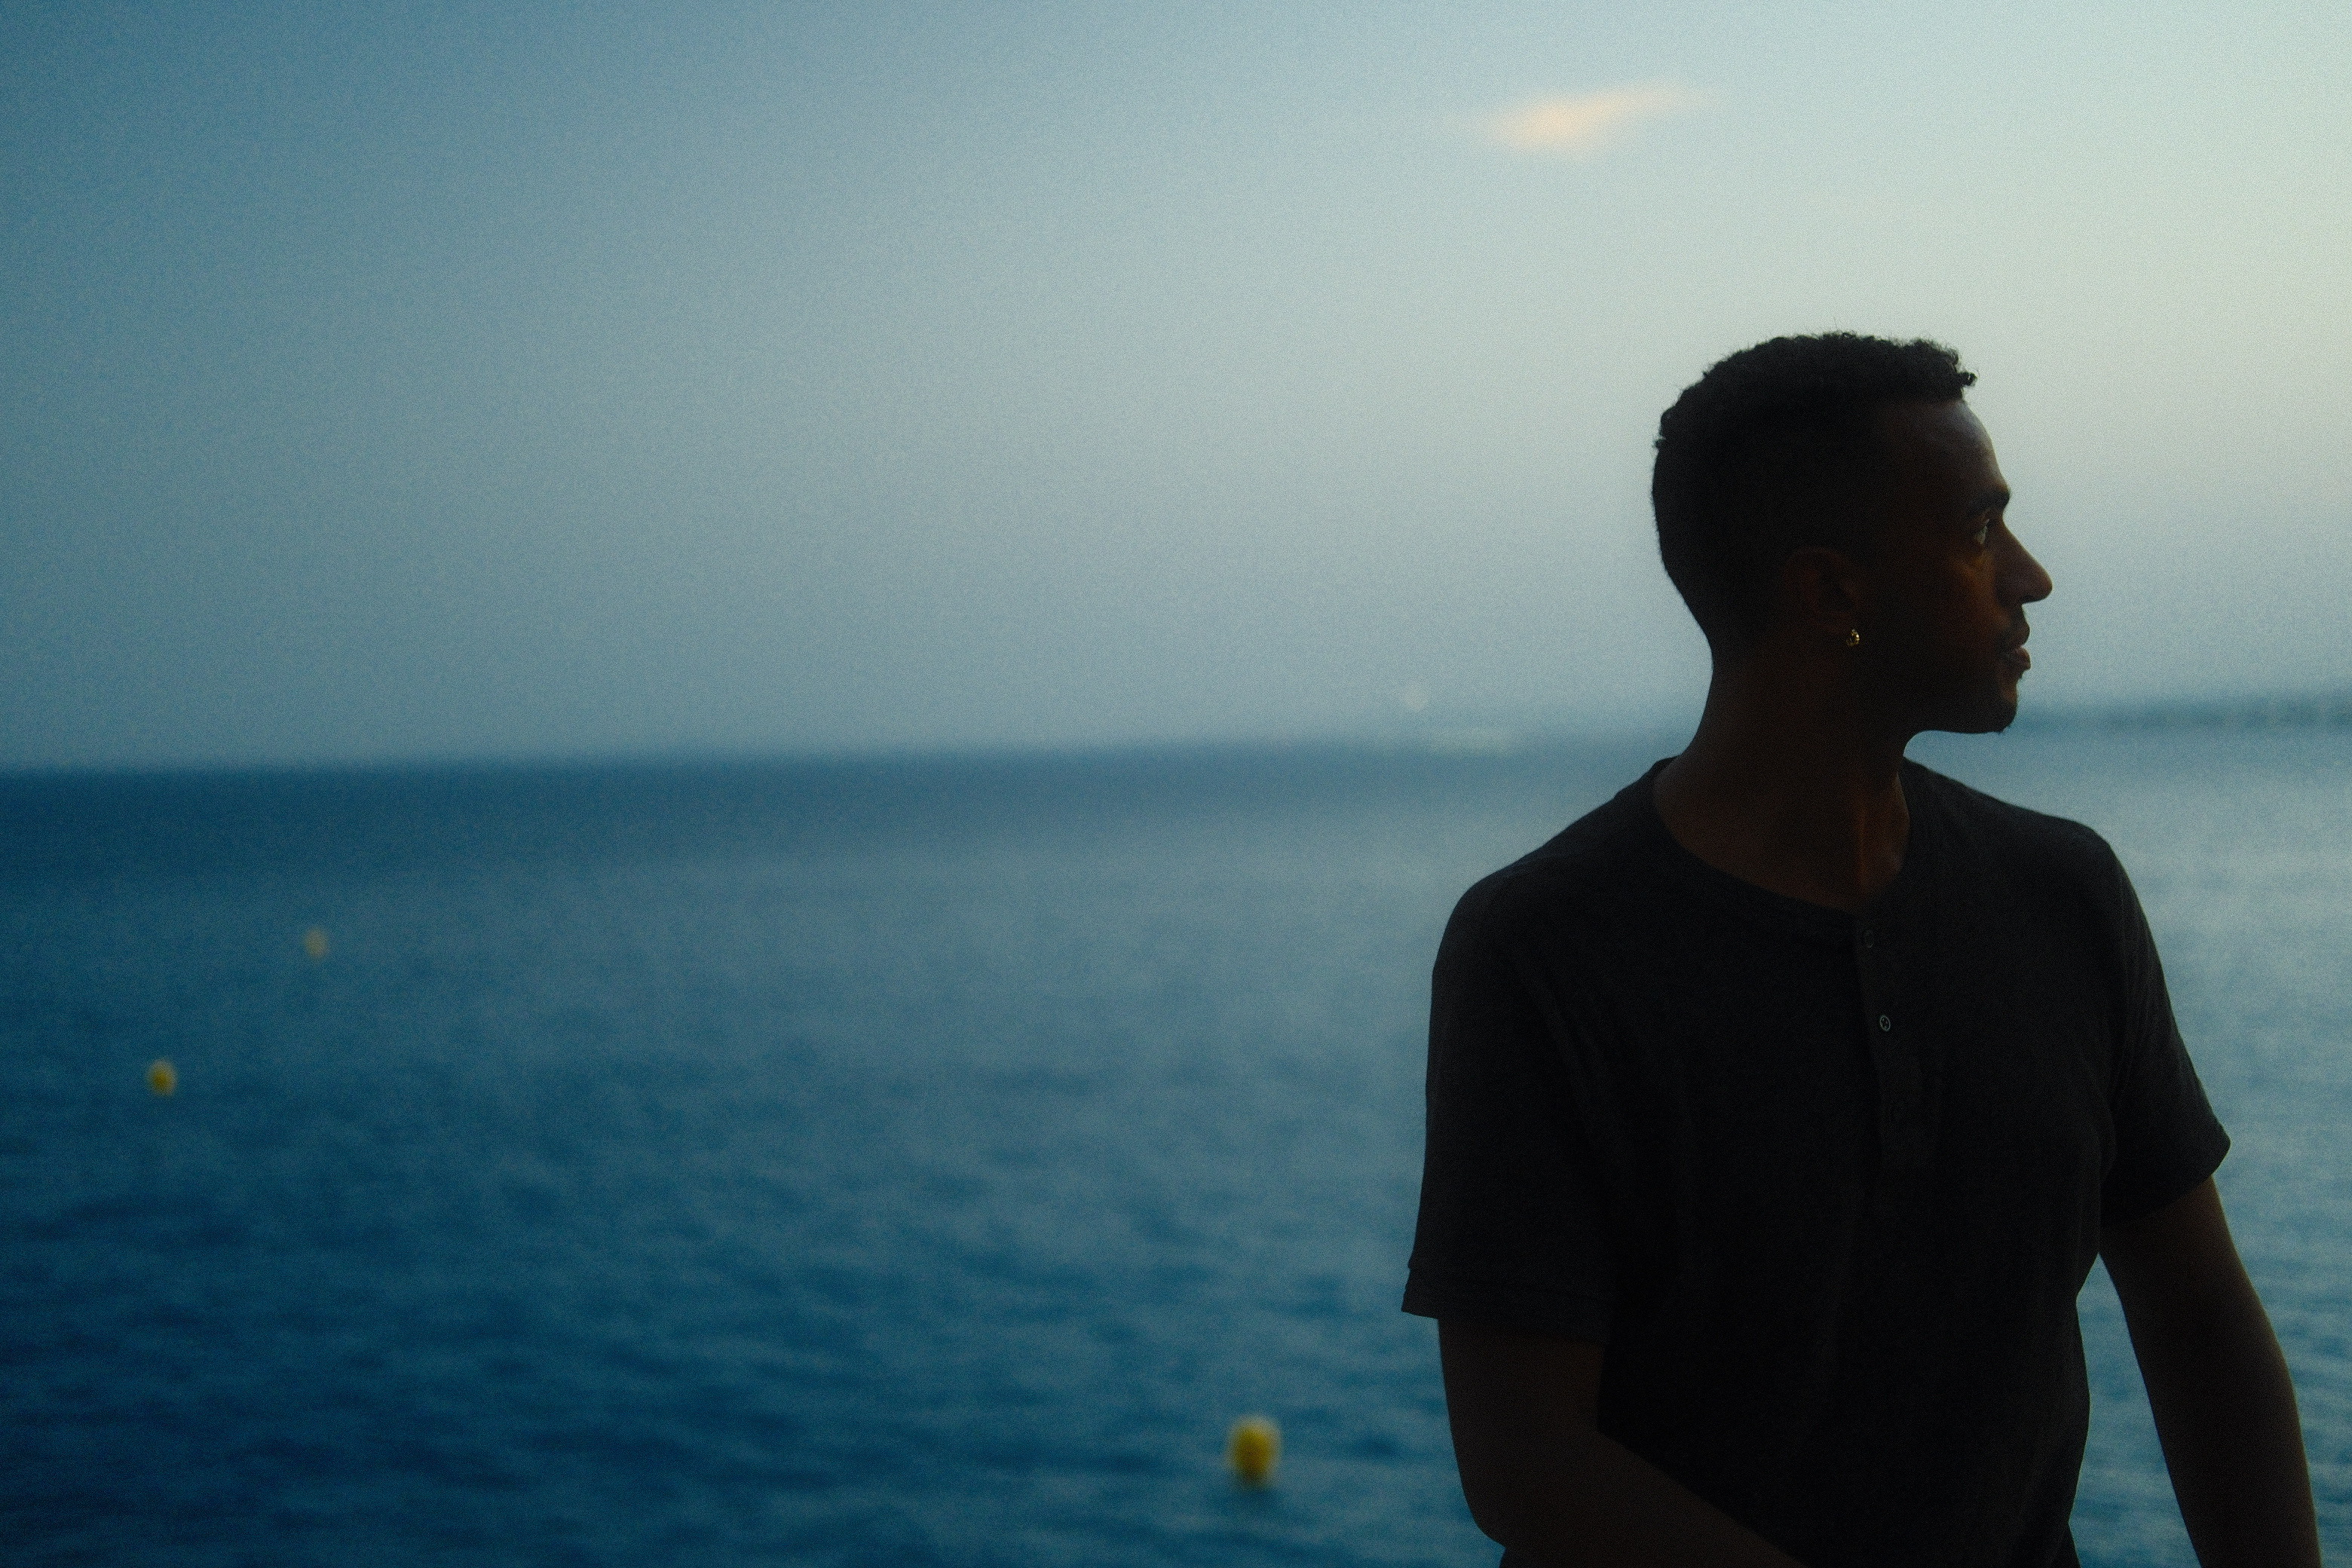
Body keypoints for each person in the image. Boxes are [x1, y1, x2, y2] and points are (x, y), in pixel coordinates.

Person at [1402, 334, 2320, 1568]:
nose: (2032, 579)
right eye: (1982, 533)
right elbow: (1526, 1461)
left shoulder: (2064, 893)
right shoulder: (1548, 950)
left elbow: (2200, 1321)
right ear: (1832, 593)